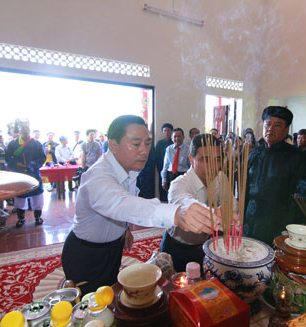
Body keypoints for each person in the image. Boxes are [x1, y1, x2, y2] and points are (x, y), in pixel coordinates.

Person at [61, 115, 219, 295]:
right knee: (92, 309)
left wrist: (124, 229)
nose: (145, 151)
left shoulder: (127, 170)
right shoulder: (97, 176)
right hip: (86, 255)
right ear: (113, 145)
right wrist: (177, 214)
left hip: (113, 247)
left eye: (147, 143)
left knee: (111, 294)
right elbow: (121, 203)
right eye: (136, 144)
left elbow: (122, 207)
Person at [243, 106, 306, 246]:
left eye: (277, 125)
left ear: (286, 130)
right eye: (267, 124)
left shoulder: (295, 156)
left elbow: (298, 195)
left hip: (277, 221)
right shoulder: (254, 154)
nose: (270, 129)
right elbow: (244, 190)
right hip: (251, 218)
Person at [160, 134, 223, 272]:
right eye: (205, 159)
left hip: (205, 247)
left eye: (217, 159)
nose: (213, 166)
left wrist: (229, 211)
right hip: (176, 248)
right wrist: (214, 214)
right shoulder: (179, 184)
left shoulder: (221, 178)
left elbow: (232, 204)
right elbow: (183, 202)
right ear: (191, 159)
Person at [5, 119, 46, 228]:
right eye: (22, 128)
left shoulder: (37, 143)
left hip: (33, 174)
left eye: (27, 128)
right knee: (20, 198)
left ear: (30, 129)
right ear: (19, 129)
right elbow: (8, 158)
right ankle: (21, 219)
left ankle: (38, 217)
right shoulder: (12, 144)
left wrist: (30, 165)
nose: (25, 130)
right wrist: (16, 164)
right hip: (19, 175)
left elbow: (42, 158)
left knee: (37, 197)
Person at [155, 123, 173, 201]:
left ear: (171, 132)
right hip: (161, 169)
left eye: (168, 131)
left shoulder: (173, 143)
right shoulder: (159, 143)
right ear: (162, 132)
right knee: (162, 187)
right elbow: (157, 157)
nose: (166, 132)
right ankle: (163, 202)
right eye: (165, 131)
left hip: (171, 170)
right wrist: (160, 169)